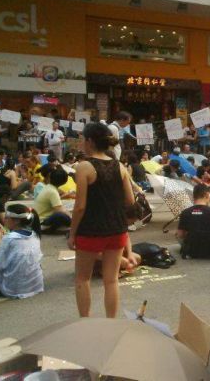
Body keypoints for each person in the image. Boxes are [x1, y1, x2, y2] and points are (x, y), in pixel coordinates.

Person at [68, 122, 136, 318]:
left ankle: (86, 322)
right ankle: (111, 322)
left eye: (82, 139)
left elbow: (80, 206)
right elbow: (130, 200)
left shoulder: (84, 167)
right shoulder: (120, 166)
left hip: (90, 230)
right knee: (111, 280)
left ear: (89, 141)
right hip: (117, 230)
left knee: (83, 278)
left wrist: (72, 233)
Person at [0, 204, 44, 299]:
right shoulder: (35, 235)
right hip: (36, 286)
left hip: (11, 290)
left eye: (7, 217)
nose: (4, 219)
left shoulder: (9, 239)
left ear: (16, 221)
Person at [33, 165, 72, 232]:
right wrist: (72, 219)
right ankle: (46, 227)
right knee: (61, 215)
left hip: (40, 218)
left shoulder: (49, 187)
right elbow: (59, 210)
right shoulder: (52, 191)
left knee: (65, 210)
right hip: (42, 221)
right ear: (64, 182)